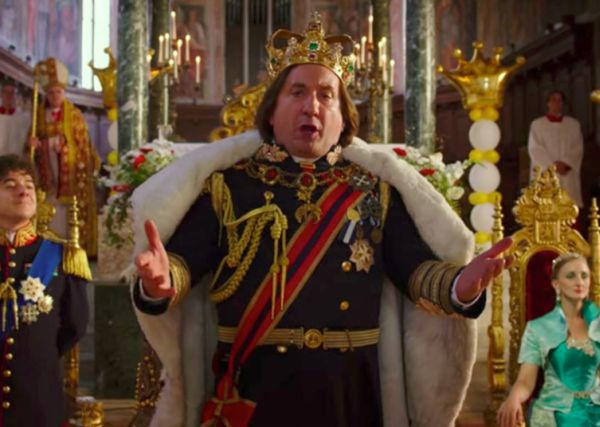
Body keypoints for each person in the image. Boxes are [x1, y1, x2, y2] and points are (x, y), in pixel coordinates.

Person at [132, 14, 512, 427]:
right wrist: (160, 281)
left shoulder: (375, 191)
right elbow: (183, 263)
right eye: (297, 92)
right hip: (254, 391)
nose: (311, 106)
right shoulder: (227, 187)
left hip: (350, 393)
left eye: (326, 95)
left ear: (344, 118)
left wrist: (459, 286)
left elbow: (415, 270)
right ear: (271, 112)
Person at [0, 153, 90, 426]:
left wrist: (37, 355)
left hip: (38, 400)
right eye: (10, 185)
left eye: (28, 184)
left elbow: (75, 325)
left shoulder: (62, 256)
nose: (23, 190)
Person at [497, 252, 600, 427]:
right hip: (554, 414)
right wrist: (514, 397)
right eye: (571, 276)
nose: (579, 282)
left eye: (584, 276)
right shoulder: (538, 328)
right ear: (556, 284)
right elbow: (526, 381)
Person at [27, 57, 99, 257]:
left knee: (68, 214)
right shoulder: (39, 116)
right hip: (47, 176)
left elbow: (83, 147)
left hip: (69, 177)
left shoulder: (75, 115)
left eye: (58, 92)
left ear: (64, 93)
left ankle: (74, 249)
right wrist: (33, 145)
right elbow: (30, 145)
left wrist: (65, 149)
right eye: (51, 92)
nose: (55, 96)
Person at [528, 90, 584, 208]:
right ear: (548, 103)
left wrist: (566, 163)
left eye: (560, 100)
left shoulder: (573, 125)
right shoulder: (537, 125)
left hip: (566, 172)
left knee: (568, 206)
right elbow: (535, 148)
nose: (557, 103)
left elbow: (577, 147)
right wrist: (552, 167)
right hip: (546, 174)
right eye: (553, 100)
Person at [0, 82, 30, 156]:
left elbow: (25, 139)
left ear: (15, 96)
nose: (9, 95)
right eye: (6, 92)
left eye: (12, 93)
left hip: (13, 159)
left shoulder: (22, 118)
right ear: (1, 94)